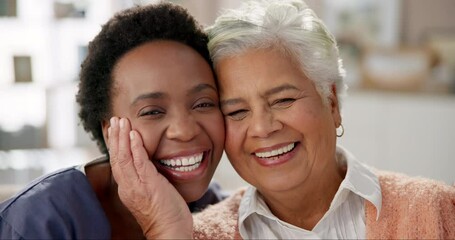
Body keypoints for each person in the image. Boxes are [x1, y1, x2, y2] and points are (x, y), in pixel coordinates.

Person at [112, 0, 455, 239]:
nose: (263, 127)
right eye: (237, 111)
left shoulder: (435, 209)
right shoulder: (196, 236)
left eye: (284, 99)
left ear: (331, 101)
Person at [0, 2, 226, 239]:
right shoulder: (35, 223)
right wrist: (167, 228)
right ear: (109, 131)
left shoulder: (221, 211)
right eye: (152, 112)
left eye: (203, 104)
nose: (185, 130)